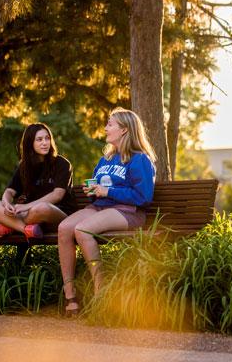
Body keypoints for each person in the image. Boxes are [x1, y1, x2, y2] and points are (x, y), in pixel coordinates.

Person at [57, 107, 157, 316]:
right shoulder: (106, 159)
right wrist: (93, 191)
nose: (105, 128)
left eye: (110, 124)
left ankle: (100, 292)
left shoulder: (140, 159)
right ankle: (71, 295)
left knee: (83, 230)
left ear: (124, 130)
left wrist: (108, 190)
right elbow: (99, 191)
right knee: (65, 227)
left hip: (127, 212)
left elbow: (143, 197)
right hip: (100, 208)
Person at [0, 123, 76, 239]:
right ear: (30, 143)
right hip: (32, 218)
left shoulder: (62, 164)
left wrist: (25, 207)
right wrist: (7, 203)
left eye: (47, 138)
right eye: (39, 140)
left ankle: (11, 227)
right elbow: (10, 191)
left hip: (58, 215)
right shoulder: (24, 166)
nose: (45, 143)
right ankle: (25, 229)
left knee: (42, 208)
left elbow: (57, 195)